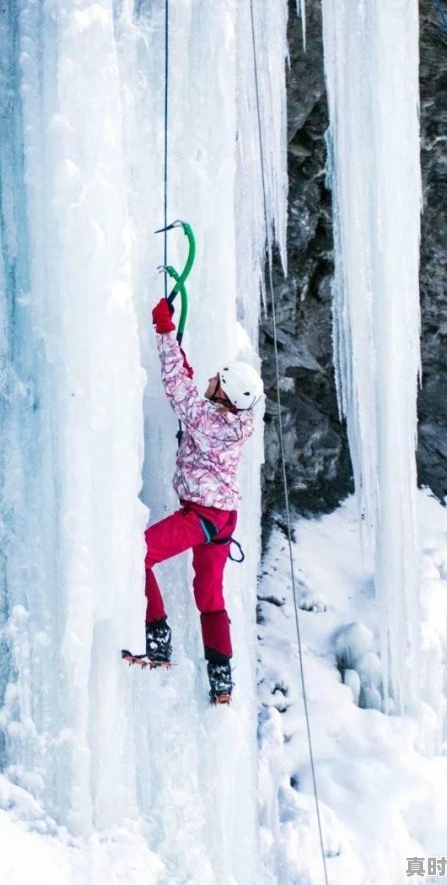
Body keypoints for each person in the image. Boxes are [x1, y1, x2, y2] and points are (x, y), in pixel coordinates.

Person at [142, 296, 263, 704]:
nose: (209, 380)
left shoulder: (209, 420)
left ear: (225, 392)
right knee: (210, 599)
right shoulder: (237, 420)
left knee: (137, 554)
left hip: (202, 517)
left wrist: (164, 330)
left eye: (216, 379)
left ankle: (157, 637)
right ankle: (222, 679)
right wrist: (187, 366)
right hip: (222, 520)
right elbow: (196, 400)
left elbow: (179, 391)